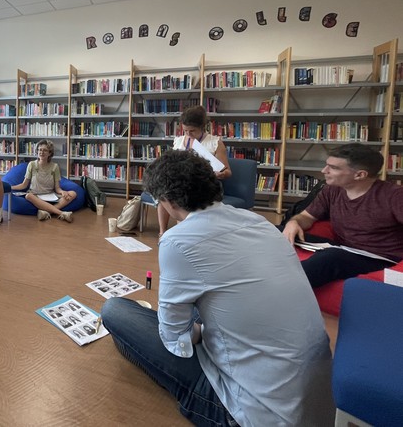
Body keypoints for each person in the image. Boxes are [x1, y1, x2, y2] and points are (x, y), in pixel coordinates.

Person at [102, 150, 334, 426]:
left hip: (247, 411)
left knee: (115, 311)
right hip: (315, 399)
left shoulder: (178, 240)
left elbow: (175, 337)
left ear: (169, 202)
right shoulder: (261, 222)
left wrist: (198, 332)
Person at [282, 143, 403, 287]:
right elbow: (307, 217)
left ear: (360, 175)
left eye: (333, 168)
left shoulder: (394, 196)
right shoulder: (332, 189)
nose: (323, 171)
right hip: (342, 248)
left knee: (330, 258)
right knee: (274, 230)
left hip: (379, 257)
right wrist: (293, 222)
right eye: (327, 165)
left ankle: (279, 292)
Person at [155, 105, 232, 235]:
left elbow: (228, 172)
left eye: (192, 131)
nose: (188, 134)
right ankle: (163, 233)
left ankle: (184, 233)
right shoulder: (178, 141)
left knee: (182, 196)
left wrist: (221, 174)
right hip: (181, 182)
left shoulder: (215, 142)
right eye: (185, 131)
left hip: (206, 184)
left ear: (202, 127)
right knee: (164, 191)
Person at [10, 139, 77, 222]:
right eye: (39, 150)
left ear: (49, 153)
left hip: (50, 195)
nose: (41, 152)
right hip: (35, 195)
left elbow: (57, 188)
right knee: (28, 196)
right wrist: (9, 187)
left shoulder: (55, 167)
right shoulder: (32, 165)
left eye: (45, 150)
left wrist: (62, 192)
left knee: (73, 193)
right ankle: (61, 213)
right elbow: (24, 185)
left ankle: (46, 212)